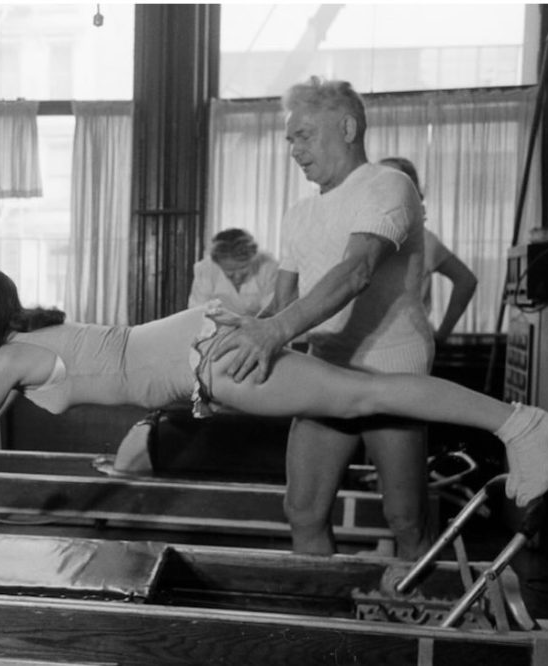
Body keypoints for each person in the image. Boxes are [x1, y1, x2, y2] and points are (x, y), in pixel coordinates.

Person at [0, 269, 548, 529]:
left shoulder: (10, 358)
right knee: (355, 399)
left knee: (361, 397)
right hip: (195, 352)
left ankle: (516, 422)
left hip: (202, 357)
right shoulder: (22, 349)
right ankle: (514, 423)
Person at [204, 77, 441, 559]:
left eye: (305, 135)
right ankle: (324, 608)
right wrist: (233, 338)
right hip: (327, 366)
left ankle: (420, 605)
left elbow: (357, 271)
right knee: (304, 511)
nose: (294, 149)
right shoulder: (299, 213)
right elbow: (281, 305)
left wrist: (274, 330)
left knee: (405, 518)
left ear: (347, 128)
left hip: (389, 368)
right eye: (290, 139)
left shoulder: (388, 185)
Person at [378, 156, 479, 345]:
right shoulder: (366, 236)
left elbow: (466, 281)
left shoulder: (424, 240)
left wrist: (442, 334)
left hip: (408, 344)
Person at [188, 228, 279, 316]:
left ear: (253, 258)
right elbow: (198, 311)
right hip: (218, 324)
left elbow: (272, 310)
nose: (237, 276)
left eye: (243, 267)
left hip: (260, 324)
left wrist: (250, 324)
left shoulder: (268, 267)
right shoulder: (206, 269)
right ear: (218, 263)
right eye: (230, 270)